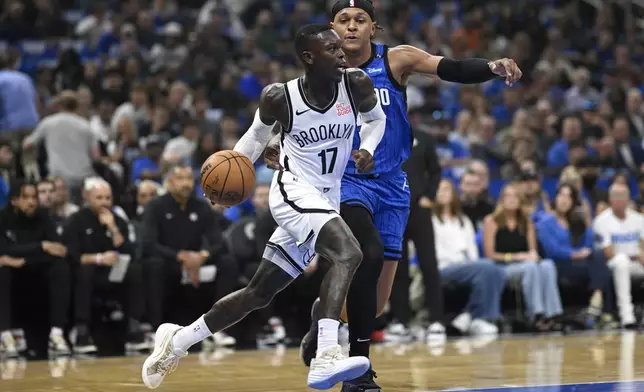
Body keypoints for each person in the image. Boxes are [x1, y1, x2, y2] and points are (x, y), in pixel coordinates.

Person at [263, 2, 521, 390]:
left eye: (360, 20)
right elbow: (292, 120)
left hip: (393, 186)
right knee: (367, 252)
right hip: (343, 182)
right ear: (330, 30)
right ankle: (359, 370)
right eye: (343, 21)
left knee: (376, 301)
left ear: (373, 28)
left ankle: (323, 320)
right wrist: (274, 146)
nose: (351, 27)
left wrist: (490, 67)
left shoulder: (396, 61)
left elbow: (448, 67)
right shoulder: (317, 74)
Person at [141, 24, 386, 391]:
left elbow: (375, 120)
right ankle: (326, 355)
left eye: (341, 49)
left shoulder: (356, 84)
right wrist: (228, 179)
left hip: (327, 196)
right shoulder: (279, 97)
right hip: (292, 190)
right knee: (349, 253)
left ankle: (176, 341)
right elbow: (256, 137)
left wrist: (367, 147)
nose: (341, 53)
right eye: (332, 49)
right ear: (308, 57)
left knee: (258, 294)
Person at [63, 178, 147, 353]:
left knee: (135, 269)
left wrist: (113, 227)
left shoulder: (116, 219)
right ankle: (82, 331)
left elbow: (129, 251)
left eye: (107, 198)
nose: (104, 202)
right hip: (86, 272)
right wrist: (100, 258)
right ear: (87, 197)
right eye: (99, 198)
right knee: (84, 271)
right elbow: (72, 255)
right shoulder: (75, 220)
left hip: (112, 271)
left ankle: (134, 326)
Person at [0, 180, 71, 357]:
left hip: (35, 270)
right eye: (26, 197)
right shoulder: (3, 218)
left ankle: (57, 334)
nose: (31, 202)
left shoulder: (43, 217)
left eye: (34, 197)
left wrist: (25, 258)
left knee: (60, 267)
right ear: (14, 200)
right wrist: (41, 246)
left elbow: (57, 250)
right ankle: (5, 335)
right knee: (2, 270)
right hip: (13, 275)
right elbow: (4, 250)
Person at [482, 183, 563, 331]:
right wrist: (517, 257)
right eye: (508, 196)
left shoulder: (527, 222)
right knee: (530, 267)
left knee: (547, 265)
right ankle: (536, 314)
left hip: (525, 265)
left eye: (515, 196)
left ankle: (553, 314)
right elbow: (490, 254)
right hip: (502, 267)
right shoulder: (491, 221)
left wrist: (533, 256)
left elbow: (532, 251)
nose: (512, 200)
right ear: (501, 200)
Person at [433, 179, 506, 335]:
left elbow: (472, 248)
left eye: (446, 189)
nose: (443, 193)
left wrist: (472, 264)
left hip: (468, 266)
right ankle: (480, 317)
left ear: (453, 194)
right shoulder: (430, 220)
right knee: (487, 267)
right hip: (444, 266)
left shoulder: (463, 220)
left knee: (496, 271)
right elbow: (433, 251)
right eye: (439, 189)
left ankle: (470, 316)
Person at [536, 184, 614, 327]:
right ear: (556, 198)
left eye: (569, 197)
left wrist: (587, 221)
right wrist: (574, 254)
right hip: (557, 265)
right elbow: (551, 250)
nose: (565, 200)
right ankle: (603, 310)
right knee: (599, 264)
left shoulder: (576, 221)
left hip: (578, 263)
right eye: (562, 195)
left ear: (573, 202)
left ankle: (596, 303)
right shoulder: (546, 222)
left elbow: (589, 244)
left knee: (599, 256)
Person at [593, 183, 644, 328]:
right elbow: (609, 253)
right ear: (610, 199)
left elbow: (642, 244)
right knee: (622, 262)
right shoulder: (601, 221)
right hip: (613, 263)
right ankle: (627, 316)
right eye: (617, 196)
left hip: (637, 262)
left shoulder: (639, 219)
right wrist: (635, 254)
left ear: (629, 198)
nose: (620, 199)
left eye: (623, 196)